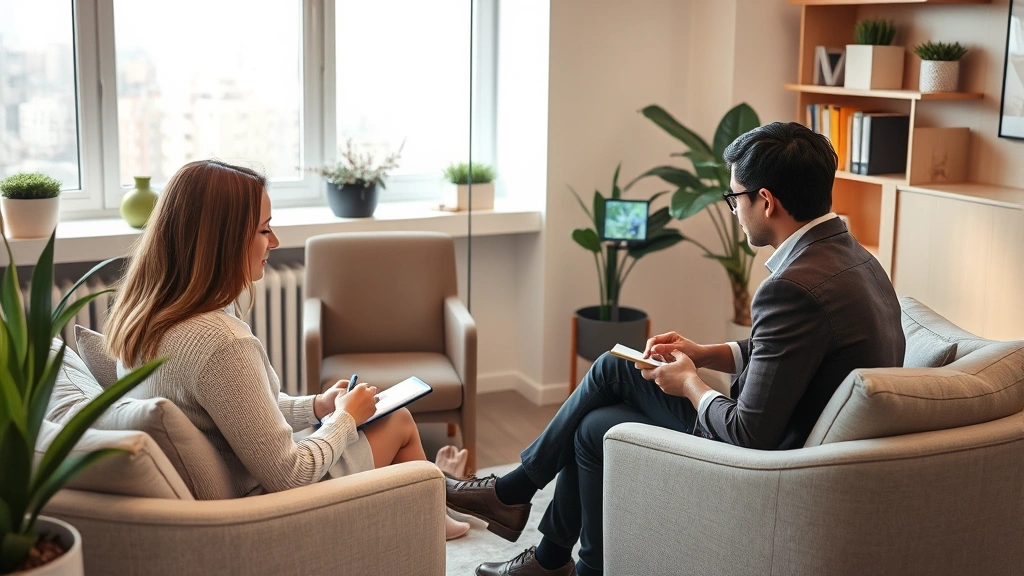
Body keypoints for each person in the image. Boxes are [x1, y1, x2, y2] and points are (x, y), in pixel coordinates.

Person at [447, 122, 906, 575]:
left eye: (734, 198)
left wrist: (689, 382)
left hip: (765, 462)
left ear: (765, 201)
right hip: (794, 437)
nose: (734, 210)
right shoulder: (855, 258)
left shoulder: (791, 287)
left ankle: (514, 497)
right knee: (591, 426)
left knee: (610, 370)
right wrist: (706, 353)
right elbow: (795, 352)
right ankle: (550, 555)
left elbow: (750, 434)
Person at [104, 159, 471, 540]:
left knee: (377, 421)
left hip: (245, 479)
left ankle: (430, 500)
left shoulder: (146, 318)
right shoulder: (220, 343)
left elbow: (238, 414)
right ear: (222, 240)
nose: (274, 242)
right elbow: (290, 475)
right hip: (267, 506)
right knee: (397, 421)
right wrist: (343, 421)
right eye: (264, 229)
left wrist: (318, 407)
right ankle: (433, 517)